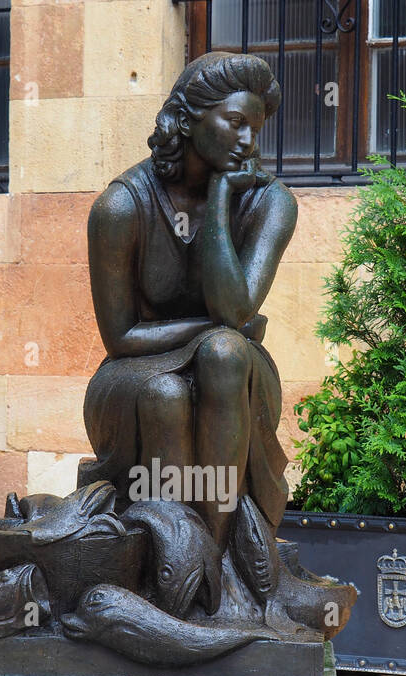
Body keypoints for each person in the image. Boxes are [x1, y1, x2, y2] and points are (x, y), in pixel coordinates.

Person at [80, 51, 298, 558]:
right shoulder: (121, 206)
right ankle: (176, 551)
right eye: (236, 123)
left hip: (233, 372)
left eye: (256, 129)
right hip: (133, 374)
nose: (249, 142)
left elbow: (237, 311)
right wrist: (215, 326)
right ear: (188, 118)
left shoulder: (271, 203)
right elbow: (122, 338)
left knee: (224, 352)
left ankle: (215, 563)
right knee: (168, 393)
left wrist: (221, 200)